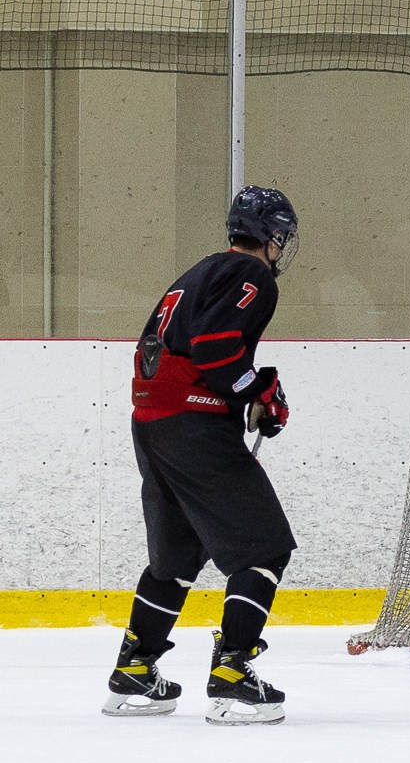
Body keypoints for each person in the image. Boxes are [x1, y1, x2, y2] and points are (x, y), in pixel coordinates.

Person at [105, 186, 303, 724]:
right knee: (264, 547)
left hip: (151, 424)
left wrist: (247, 390)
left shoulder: (196, 272)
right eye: (282, 237)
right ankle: (233, 676)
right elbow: (216, 348)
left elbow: (165, 352)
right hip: (193, 428)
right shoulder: (251, 275)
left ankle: (135, 672)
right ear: (272, 236)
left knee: (177, 556)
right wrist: (259, 391)